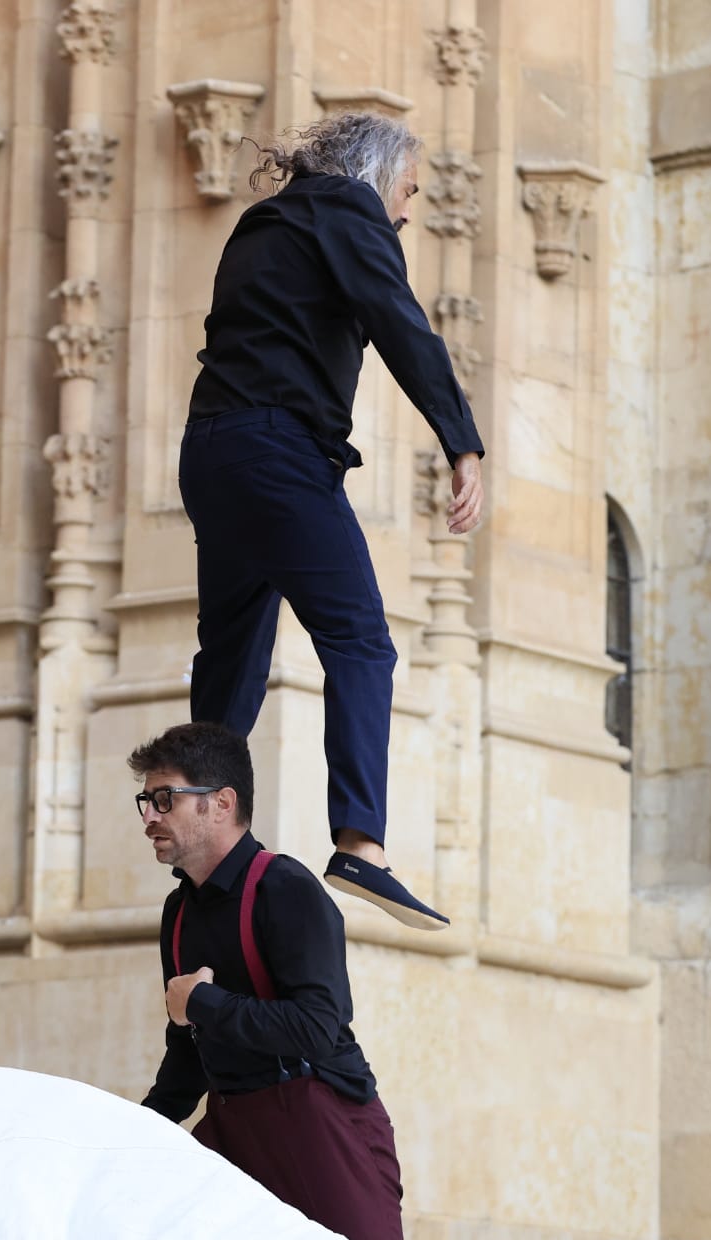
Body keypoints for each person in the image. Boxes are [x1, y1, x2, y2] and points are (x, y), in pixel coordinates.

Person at [179, 111, 485, 931]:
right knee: (360, 640)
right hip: (280, 456)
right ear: (374, 176)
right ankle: (360, 842)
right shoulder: (349, 209)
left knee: (232, 661)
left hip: (210, 455)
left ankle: (197, 840)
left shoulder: (265, 222)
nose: (408, 211)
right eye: (408, 191)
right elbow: (398, 320)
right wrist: (461, 442)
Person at [132, 721, 406, 1240]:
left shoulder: (286, 888)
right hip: (233, 1131)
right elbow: (188, 1053)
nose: (150, 818)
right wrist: (132, 1132)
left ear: (221, 803)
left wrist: (204, 1004)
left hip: (324, 1126)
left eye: (165, 799)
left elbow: (316, 1028)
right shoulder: (178, 912)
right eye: (146, 801)